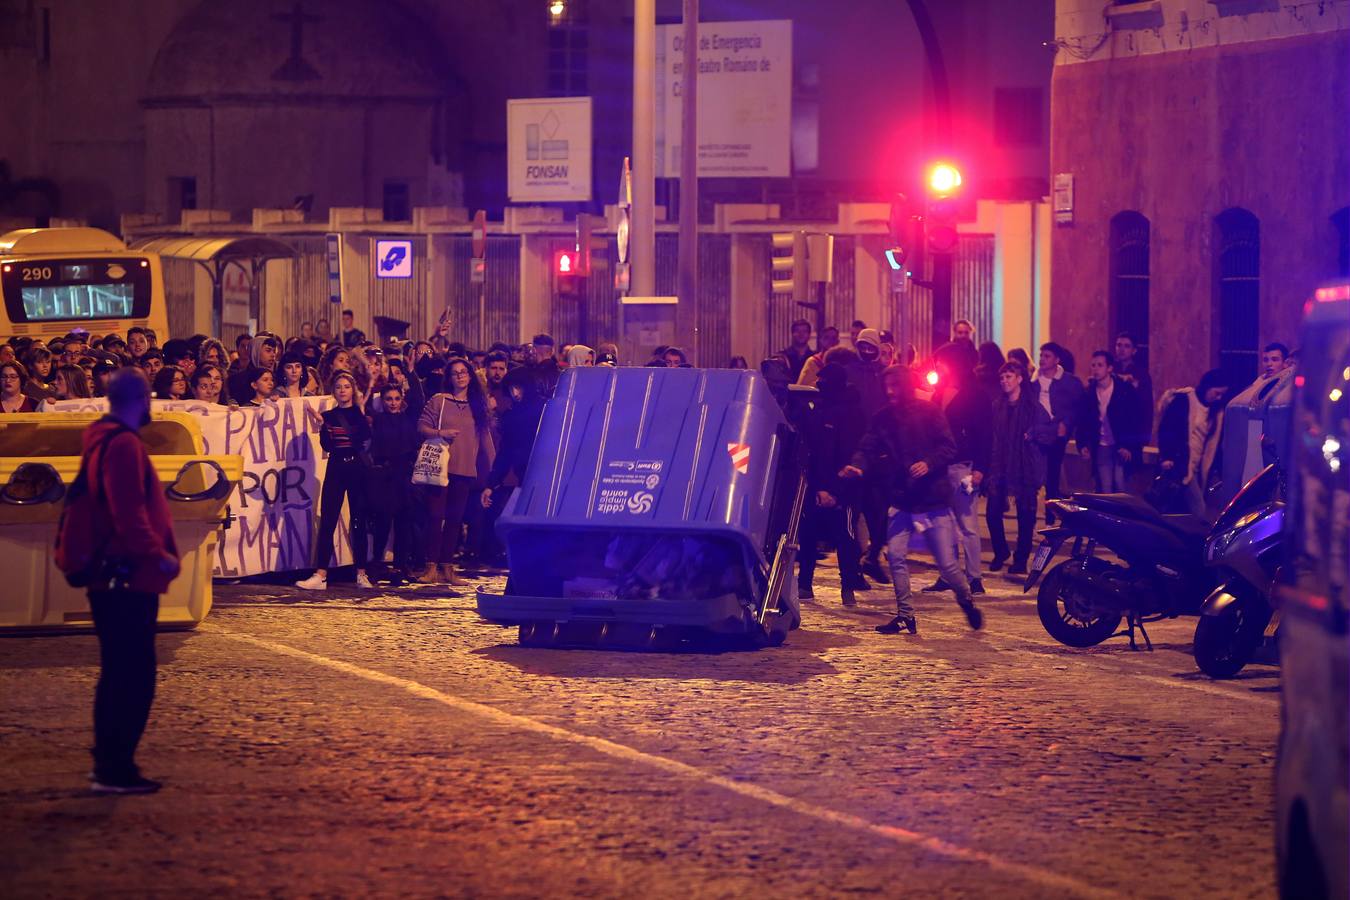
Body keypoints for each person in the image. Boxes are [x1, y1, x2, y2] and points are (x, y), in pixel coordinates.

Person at [80, 368, 181, 794]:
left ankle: (109, 759)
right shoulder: (123, 445)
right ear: (141, 398)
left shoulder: (102, 438)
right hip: (127, 577)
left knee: (118, 670)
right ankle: (115, 767)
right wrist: (158, 557)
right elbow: (129, 513)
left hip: (112, 576)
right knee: (133, 674)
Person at [841, 365, 983, 634]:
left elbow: (948, 445)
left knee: (948, 565)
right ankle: (905, 614)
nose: (890, 391)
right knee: (895, 555)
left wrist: (928, 464)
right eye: (888, 386)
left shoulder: (929, 411)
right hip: (902, 498)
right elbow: (867, 446)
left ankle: (966, 598)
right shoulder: (883, 418)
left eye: (895, 385)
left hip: (932, 500)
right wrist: (857, 465)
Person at [417, 358, 495, 585]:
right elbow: (421, 427)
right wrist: (441, 433)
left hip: (464, 470)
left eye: (463, 372)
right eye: (455, 373)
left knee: (455, 520)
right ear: (449, 378)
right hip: (440, 468)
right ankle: (430, 567)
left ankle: (448, 568)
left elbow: (486, 441)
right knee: (434, 518)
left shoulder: (478, 406)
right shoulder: (439, 401)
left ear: (470, 376)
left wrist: (493, 475)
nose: (460, 376)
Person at [923, 340, 992, 596]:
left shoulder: (976, 394)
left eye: (941, 362)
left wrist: (981, 469)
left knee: (967, 523)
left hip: (964, 466)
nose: (938, 367)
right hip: (940, 466)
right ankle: (948, 574)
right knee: (944, 523)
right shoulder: (939, 391)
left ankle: (974, 577)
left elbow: (986, 435)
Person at [797, 362, 867, 605]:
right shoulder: (818, 410)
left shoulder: (852, 413)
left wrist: (835, 490)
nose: (818, 383)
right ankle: (804, 584)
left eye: (823, 379)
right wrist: (819, 488)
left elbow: (852, 454)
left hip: (844, 490)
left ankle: (848, 587)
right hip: (820, 486)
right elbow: (814, 452)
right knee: (808, 534)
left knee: (845, 538)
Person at [297, 372, 373, 590]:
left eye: (346, 386)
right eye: (338, 386)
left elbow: (363, 442)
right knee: (328, 520)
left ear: (352, 390)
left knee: (358, 521)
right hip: (336, 467)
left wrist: (360, 419)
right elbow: (328, 447)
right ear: (334, 391)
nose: (342, 390)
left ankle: (361, 573)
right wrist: (324, 426)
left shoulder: (359, 414)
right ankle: (321, 574)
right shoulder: (328, 416)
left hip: (356, 468)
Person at [986, 362, 1056, 574]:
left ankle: (1021, 559)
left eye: (1009, 377)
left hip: (1025, 468)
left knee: (1025, 517)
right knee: (992, 513)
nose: (1004, 381)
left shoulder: (1032, 408)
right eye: (1002, 378)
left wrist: (1034, 434)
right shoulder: (997, 406)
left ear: (1019, 379)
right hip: (1001, 467)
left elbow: (1049, 434)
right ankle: (1001, 551)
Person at [480, 367, 547, 568]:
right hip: (525, 477)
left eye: (518, 388)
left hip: (547, 477)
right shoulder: (512, 415)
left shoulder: (546, 409)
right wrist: (492, 483)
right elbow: (506, 452)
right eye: (511, 389)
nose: (515, 393)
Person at [1157, 369, 1230, 517]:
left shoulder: (1216, 412)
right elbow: (1167, 428)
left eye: (1221, 395)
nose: (1218, 398)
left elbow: (1213, 444)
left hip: (1198, 466)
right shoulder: (1184, 400)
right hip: (1181, 463)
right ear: (1208, 386)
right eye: (1216, 393)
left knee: (1180, 510)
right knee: (1198, 510)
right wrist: (1166, 456)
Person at [366, 382, 421, 579]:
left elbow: (413, 444)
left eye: (397, 399)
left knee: (404, 522)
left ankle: (402, 564)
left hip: (404, 476)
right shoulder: (378, 420)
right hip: (385, 477)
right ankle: (377, 563)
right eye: (389, 399)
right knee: (382, 522)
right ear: (383, 400)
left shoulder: (408, 420)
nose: (393, 403)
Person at [1076, 350, 1146, 493]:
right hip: (1101, 444)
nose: (1095, 369)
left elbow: (1134, 420)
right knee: (1105, 486)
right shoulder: (1089, 392)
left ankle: (1124, 515)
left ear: (1109, 368)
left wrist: (1128, 445)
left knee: (1120, 484)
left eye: (1100, 365)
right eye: (1093, 365)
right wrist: (1083, 444)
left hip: (1121, 444)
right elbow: (1083, 421)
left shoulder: (1124, 390)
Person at [1031, 342, 1084, 523]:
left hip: (1057, 435)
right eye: (1041, 356)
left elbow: (1076, 408)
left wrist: (1066, 425)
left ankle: (1051, 518)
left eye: (1047, 356)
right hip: (1038, 434)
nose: (1042, 359)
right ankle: (1040, 516)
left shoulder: (1069, 382)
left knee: (1052, 476)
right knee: (1038, 476)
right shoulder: (1034, 383)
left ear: (1056, 360)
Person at [1113, 332, 1153, 428]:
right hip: (1112, 421)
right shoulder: (1110, 368)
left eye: (1127, 346)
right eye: (1119, 345)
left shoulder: (1141, 372)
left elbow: (1146, 401)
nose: (1121, 349)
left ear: (1134, 350)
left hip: (1133, 422)